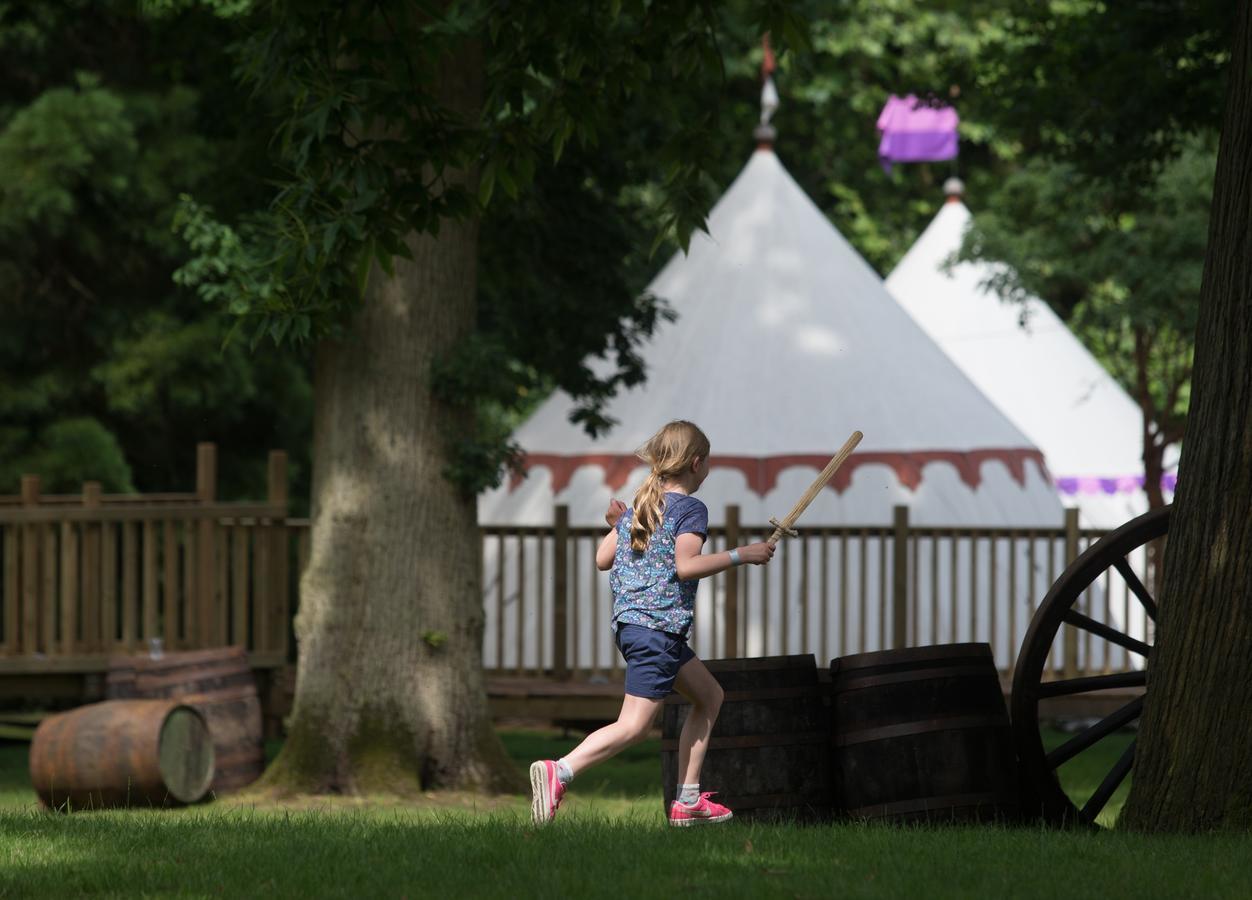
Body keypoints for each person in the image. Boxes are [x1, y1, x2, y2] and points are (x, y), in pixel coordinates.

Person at [529, 420, 776, 827]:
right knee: (633, 725)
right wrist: (741, 555)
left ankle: (688, 799)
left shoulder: (641, 506)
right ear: (697, 463)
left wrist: (617, 525)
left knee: (710, 696)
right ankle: (561, 770)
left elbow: (601, 560)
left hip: (639, 629)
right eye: (708, 461)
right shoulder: (690, 509)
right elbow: (686, 567)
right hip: (656, 631)